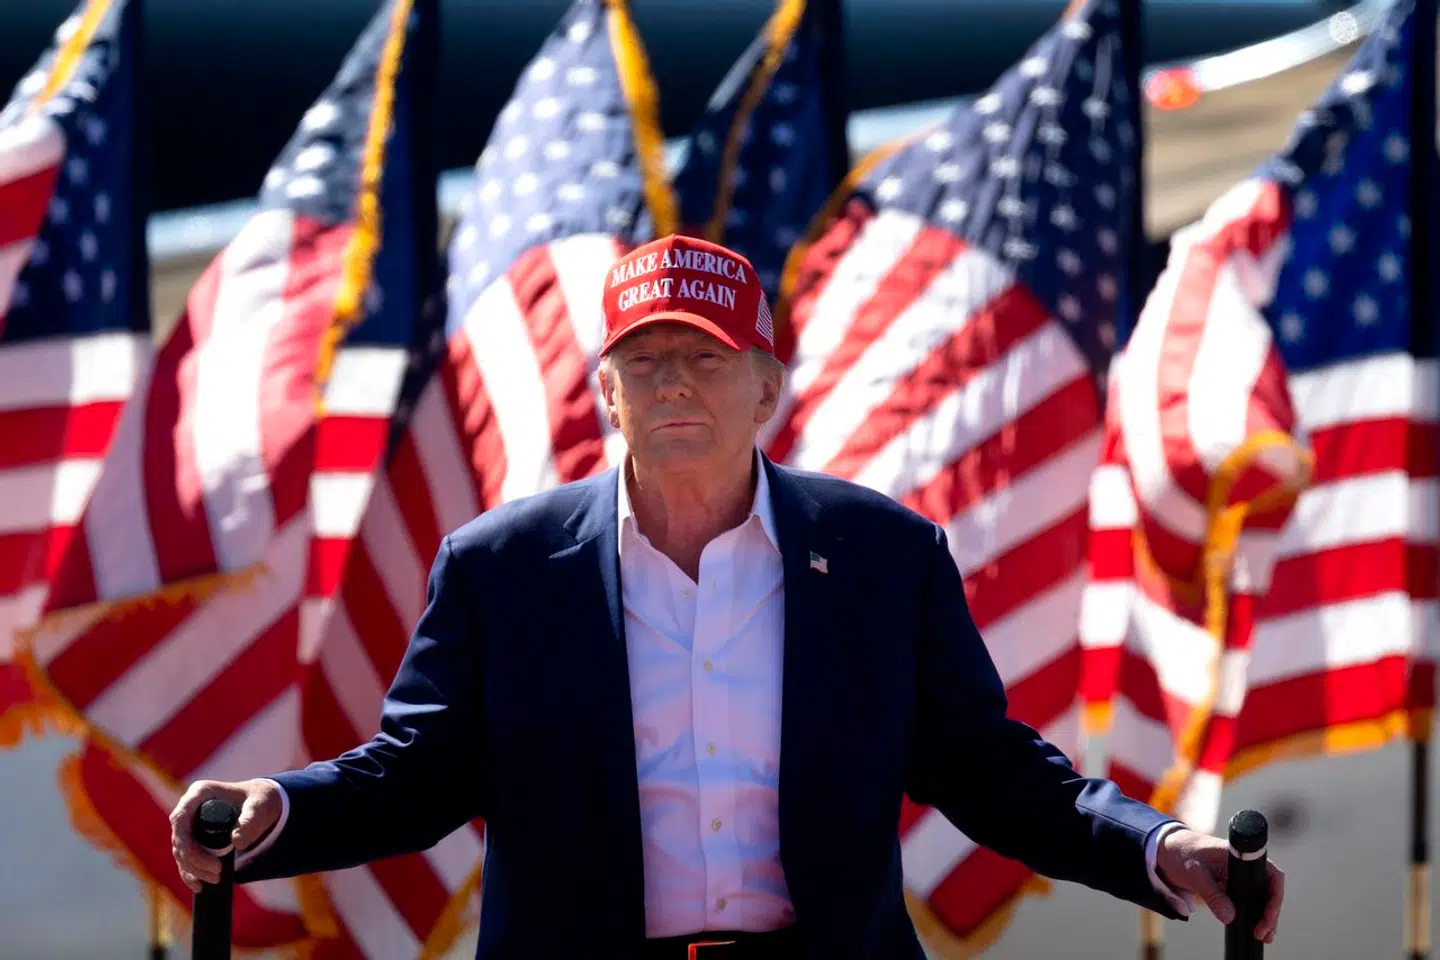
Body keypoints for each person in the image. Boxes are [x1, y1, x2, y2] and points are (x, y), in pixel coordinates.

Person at [170, 234, 1284, 959]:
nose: (672, 383)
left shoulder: (883, 557)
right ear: (606, 393)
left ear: (766, 390)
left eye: (704, 357)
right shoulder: (498, 570)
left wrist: (1155, 847)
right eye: (644, 360)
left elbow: (988, 769)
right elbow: (417, 777)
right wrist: (281, 810)